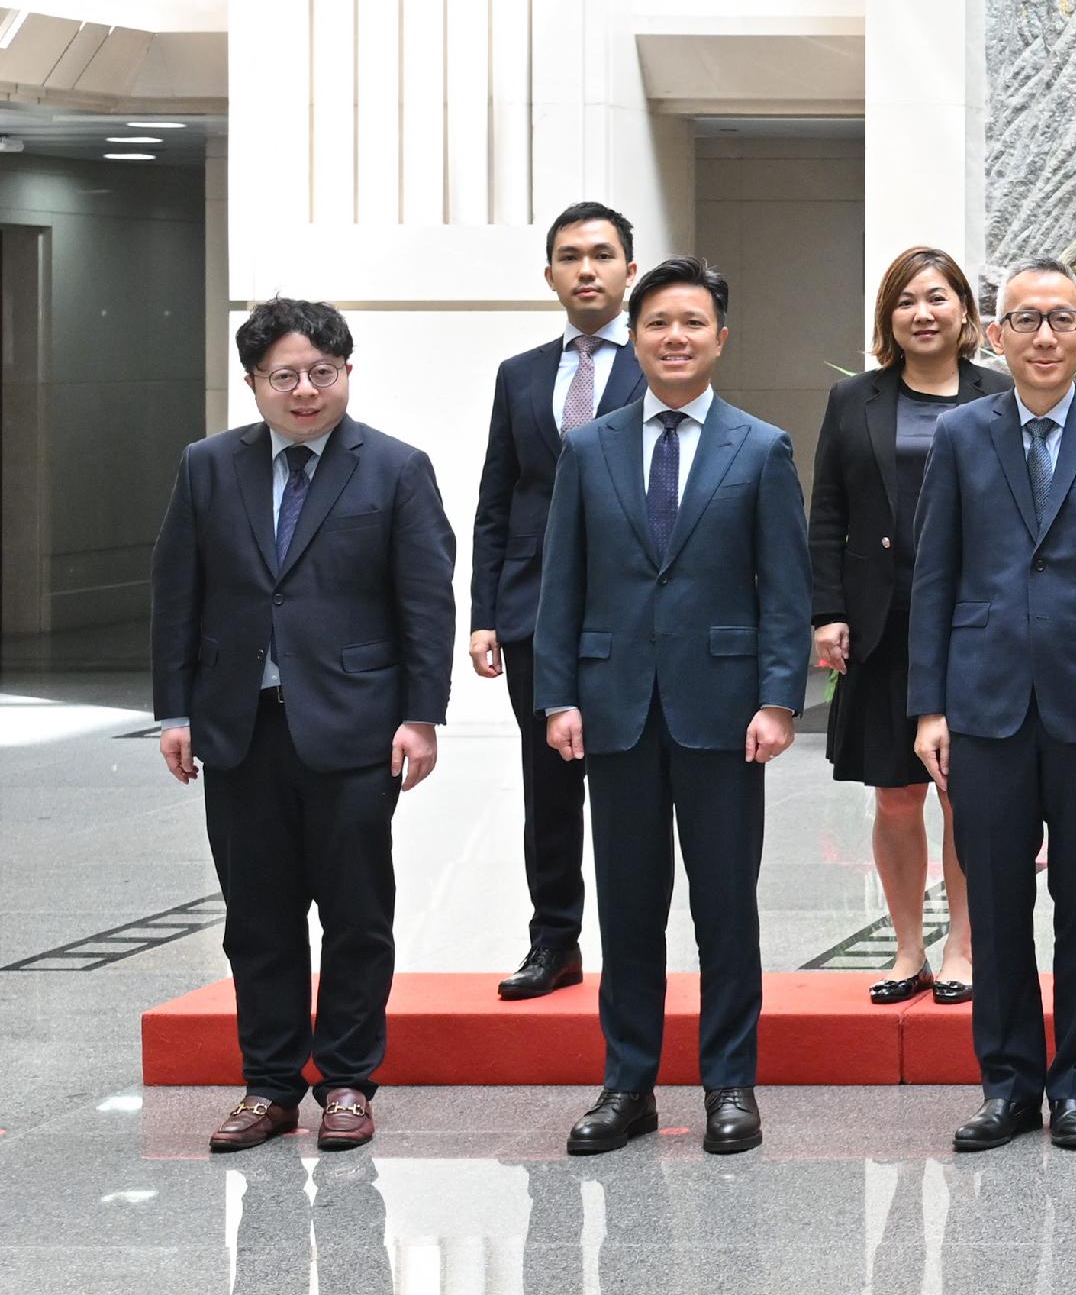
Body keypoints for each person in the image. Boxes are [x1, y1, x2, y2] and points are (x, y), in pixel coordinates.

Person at [152, 297, 455, 1153]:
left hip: (357, 728)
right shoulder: (209, 467)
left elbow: (426, 603)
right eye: (285, 375)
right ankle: (270, 1084)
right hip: (240, 727)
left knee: (357, 912)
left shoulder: (394, 468)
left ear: (347, 373)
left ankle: (350, 1080)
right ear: (253, 383)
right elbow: (178, 595)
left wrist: (422, 716)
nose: (306, 390)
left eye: (323, 372)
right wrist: (175, 709)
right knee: (257, 913)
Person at [531, 259, 808, 1157]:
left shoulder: (758, 447)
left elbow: (784, 591)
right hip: (614, 709)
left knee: (726, 904)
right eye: (658, 323)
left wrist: (778, 697)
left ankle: (731, 1082)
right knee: (629, 904)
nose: (675, 337)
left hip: (725, 712)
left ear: (720, 337)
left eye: (692, 322)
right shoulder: (588, 448)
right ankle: (629, 1083)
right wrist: (558, 694)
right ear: (635, 335)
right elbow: (560, 585)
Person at [910, 258, 1076, 1153]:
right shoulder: (960, 435)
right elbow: (935, 576)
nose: (1045, 336)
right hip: (982, 704)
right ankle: (1007, 1081)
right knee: (994, 900)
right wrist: (928, 707)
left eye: (1062, 319)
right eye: (1025, 320)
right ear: (995, 335)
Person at [809, 247, 1005, 1006]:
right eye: (905, 301)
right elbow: (826, 510)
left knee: (964, 791)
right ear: (889, 318)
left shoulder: (1000, 393)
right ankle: (905, 946)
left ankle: (963, 944)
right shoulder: (853, 399)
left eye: (936, 297)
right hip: (879, 621)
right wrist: (826, 611)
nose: (922, 312)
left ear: (964, 312)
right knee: (896, 794)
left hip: (974, 622)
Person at [467, 202, 643, 1002]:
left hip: (632, 608)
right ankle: (554, 939)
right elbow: (496, 500)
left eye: (602, 254)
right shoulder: (521, 374)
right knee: (548, 782)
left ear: (629, 271)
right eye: (570, 256)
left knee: (629, 781)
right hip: (536, 609)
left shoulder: (661, 363)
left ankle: (636, 943)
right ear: (550, 275)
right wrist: (483, 613)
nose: (587, 269)